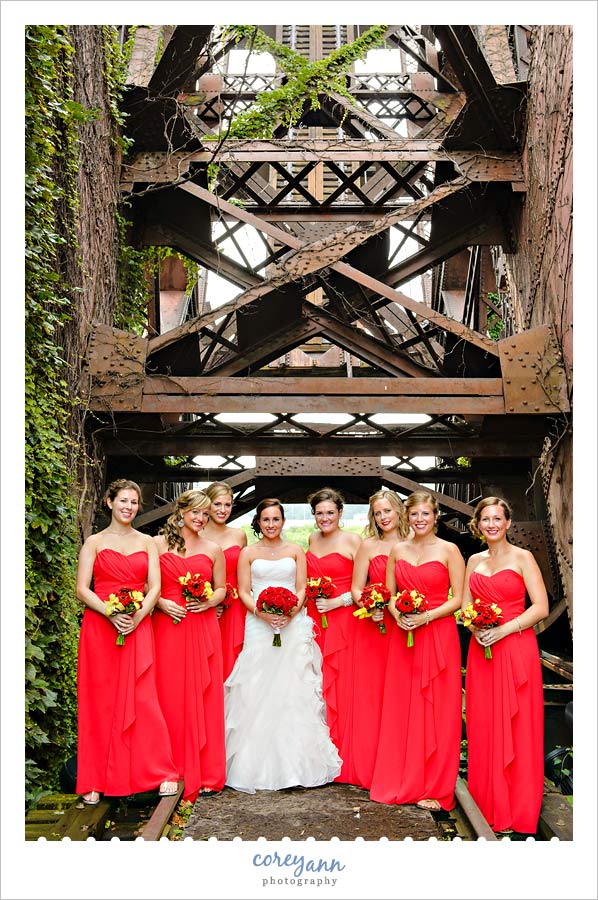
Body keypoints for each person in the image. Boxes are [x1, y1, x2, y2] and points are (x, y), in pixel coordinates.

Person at [224, 499, 341, 793]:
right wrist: (261, 613)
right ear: (258, 522)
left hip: (292, 623)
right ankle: (254, 767)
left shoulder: (295, 551)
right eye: (266, 520)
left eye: (276, 519)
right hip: (258, 623)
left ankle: (297, 765)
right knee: (257, 685)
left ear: (283, 521)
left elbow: (301, 588)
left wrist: (290, 612)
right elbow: (244, 590)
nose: (271, 525)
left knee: (293, 685)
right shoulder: (248, 553)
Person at [75, 479, 178, 805]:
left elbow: (155, 588)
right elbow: (82, 589)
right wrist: (110, 612)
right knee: (100, 701)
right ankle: (94, 778)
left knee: (143, 699)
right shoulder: (94, 542)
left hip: (137, 625)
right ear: (109, 502)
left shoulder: (147, 542)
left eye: (134, 502)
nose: (129, 507)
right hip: (100, 627)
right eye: (123, 501)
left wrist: (138, 616)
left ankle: (159, 771)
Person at [370, 491, 464, 811]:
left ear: (435, 516)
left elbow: (458, 599)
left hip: (438, 633)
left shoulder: (450, 550)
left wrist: (426, 617)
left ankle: (436, 786)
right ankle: (403, 779)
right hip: (405, 634)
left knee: (438, 708)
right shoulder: (398, 550)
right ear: (406, 517)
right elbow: (389, 593)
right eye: (414, 514)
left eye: (425, 514)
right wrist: (398, 614)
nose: (420, 519)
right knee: (403, 705)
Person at [463, 497, 548, 834]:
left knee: (518, 724)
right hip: (482, 649)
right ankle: (488, 802)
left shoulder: (523, 557)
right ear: (478, 524)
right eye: (486, 519)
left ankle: (518, 807)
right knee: (484, 723)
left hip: (515, 646)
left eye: (498, 518)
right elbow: (466, 606)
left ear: (508, 522)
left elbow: (540, 607)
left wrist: (504, 629)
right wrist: (475, 626)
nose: (492, 525)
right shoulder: (473, 560)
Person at [152, 490, 227, 802]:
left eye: (205, 514)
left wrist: (208, 601)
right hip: (167, 625)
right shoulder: (156, 544)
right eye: (196, 512)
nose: (201, 518)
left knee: (204, 694)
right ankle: (168, 768)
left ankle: (207, 771)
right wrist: (161, 603)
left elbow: (222, 588)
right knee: (167, 694)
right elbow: (146, 586)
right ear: (180, 511)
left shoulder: (213, 549)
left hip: (202, 626)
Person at [346, 490, 410, 789]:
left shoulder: (414, 542)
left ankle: (398, 764)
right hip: (372, 628)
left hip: (404, 628)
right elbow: (357, 587)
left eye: (387, 511)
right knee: (372, 696)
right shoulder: (368, 545)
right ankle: (370, 766)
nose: (383, 517)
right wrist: (369, 605)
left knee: (400, 696)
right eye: (378, 513)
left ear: (399, 510)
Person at [305, 487, 361, 776]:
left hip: (344, 620)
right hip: (316, 618)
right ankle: (323, 754)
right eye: (319, 513)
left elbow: (365, 585)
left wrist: (339, 601)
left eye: (330, 512)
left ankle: (346, 752)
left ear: (340, 512)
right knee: (317, 679)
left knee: (343, 683)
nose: (324, 518)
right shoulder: (312, 539)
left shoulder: (353, 541)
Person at [202, 481, 248, 681]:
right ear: (208, 504)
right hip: (205, 605)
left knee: (234, 659)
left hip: (236, 606)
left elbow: (245, 573)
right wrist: (210, 602)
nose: (223, 510)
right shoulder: (196, 533)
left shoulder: (239, 535)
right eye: (217, 504)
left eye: (227, 505)